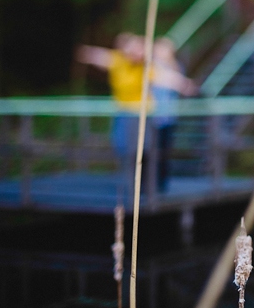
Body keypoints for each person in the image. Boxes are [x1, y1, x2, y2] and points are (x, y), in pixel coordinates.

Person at [76, 33, 196, 194]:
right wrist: (84, 52)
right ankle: (134, 184)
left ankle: (146, 186)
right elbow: (99, 56)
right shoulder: (118, 61)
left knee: (145, 150)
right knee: (124, 148)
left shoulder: (146, 67)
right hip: (124, 113)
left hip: (143, 114)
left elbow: (166, 77)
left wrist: (184, 84)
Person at [151, 37, 182, 191]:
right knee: (151, 152)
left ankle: (161, 183)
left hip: (168, 118)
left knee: (164, 152)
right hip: (153, 117)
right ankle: (150, 182)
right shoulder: (150, 67)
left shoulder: (175, 67)